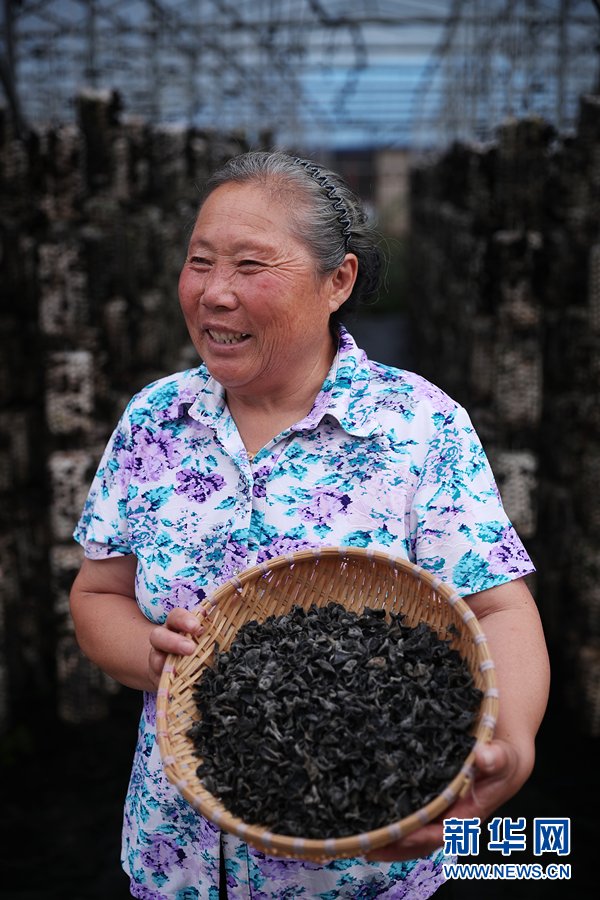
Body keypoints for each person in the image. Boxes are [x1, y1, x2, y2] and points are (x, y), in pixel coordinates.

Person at [70, 150, 550, 899]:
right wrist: (155, 657)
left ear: (339, 281)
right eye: (200, 262)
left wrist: (512, 743)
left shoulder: (419, 425)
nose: (214, 294)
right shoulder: (154, 420)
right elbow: (99, 594)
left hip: (364, 867)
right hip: (179, 860)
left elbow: (497, 606)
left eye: (250, 265)